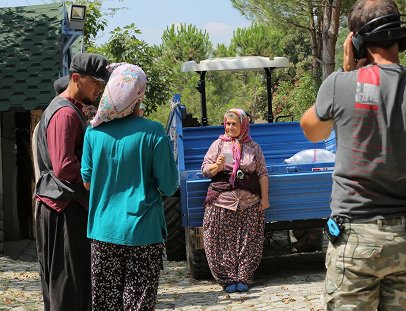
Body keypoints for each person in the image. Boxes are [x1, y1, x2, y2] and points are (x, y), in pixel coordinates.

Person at [299, 0, 406, 310]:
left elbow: (312, 131)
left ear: (356, 41)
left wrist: (346, 75)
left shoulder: (339, 86)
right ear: (401, 35)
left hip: (354, 240)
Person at [80, 63, 178, 310]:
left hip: (103, 232)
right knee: (138, 303)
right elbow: (168, 186)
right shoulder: (153, 132)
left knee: (105, 303)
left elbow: (87, 182)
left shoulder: (93, 132)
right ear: (138, 96)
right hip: (143, 233)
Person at [35, 53, 109, 311]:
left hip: (66, 207)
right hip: (62, 211)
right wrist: (100, 178)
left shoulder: (72, 109)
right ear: (76, 78)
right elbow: (65, 167)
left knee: (75, 288)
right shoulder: (65, 113)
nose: (99, 88)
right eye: (96, 82)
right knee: (67, 289)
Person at [201, 108, 270, 293]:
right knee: (221, 243)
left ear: (243, 125)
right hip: (222, 202)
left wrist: (265, 199)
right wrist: (217, 166)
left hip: (250, 203)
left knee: (248, 242)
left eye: (234, 124)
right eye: (228, 124)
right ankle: (227, 278)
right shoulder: (217, 145)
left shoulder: (254, 147)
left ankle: (244, 277)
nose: (230, 127)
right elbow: (205, 169)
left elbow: (262, 173)